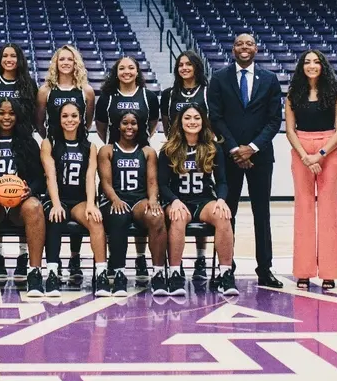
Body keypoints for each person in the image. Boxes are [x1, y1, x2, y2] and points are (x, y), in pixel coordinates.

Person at [209, 33, 283, 288]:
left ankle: (265, 269)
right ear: (232, 49)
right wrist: (234, 149)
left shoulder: (270, 79)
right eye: (239, 44)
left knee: (261, 213)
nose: (244, 47)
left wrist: (251, 148)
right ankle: (226, 268)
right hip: (229, 158)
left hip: (260, 157)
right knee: (227, 215)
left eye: (249, 43)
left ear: (256, 48)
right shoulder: (219, 78)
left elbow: (274, 120)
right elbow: (216, 118)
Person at [157, 104, 238, 297]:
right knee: (177, 218)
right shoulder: (169, 149)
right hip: (179, 200)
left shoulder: (212, 147)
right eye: (187, 118)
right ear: (180, 122)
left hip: (203, 200)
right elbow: (162, 184)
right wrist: (174, 201)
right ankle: (176, 272)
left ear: (203, 122)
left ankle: (225, 274)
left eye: (196, 118)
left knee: (223, 215)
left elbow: (222, 181)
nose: (192, 122)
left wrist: (221, 199)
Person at [0, 98, 48, 297]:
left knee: (35, 207)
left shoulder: (29, 143)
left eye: (11, 113)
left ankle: (35, 273)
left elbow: (39, 177)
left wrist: (29, 191)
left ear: (18, 116)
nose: (6, 117)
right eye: (2, 113)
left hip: (18, 204)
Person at [283, 50, 337, 290]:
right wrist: (305, 156)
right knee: (304, 210)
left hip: (328, 149)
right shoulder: (292, 96)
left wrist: (319, 155)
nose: (311, 65)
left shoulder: (335, 95)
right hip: (301, 148)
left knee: (330, 211)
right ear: (301, 66)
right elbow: (290, 130)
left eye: (316, 61)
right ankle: (304, 271)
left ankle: (329, 272)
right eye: (307, 62)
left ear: (323, 66)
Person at [35, 45, 96, 285]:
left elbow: (87, 122)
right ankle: (53, 263)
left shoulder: (86, 91)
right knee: (56, 204)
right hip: (54, 150)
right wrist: (52, 142)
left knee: (78, 194)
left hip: (77, 147)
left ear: (76, 63)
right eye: (62, 59)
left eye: (70, 59)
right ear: (55, 63)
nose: (66, 63)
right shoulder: (45, 91)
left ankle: (75, 257)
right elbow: (39, 123)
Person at [95, 56, 160, 282]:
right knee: (119, 212)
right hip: (115, 153)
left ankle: (143, 258)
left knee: (144, 207)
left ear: (137, 71)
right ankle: (116, 263)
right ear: (116, 72)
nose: (126, 71)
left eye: (131, 67)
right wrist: (115, 145)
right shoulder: (107, 98)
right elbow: (101, 127)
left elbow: (151, 124)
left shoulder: (148, 97)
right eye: (122, 68)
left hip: (138, 151)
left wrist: (139, 140)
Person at [0, 43, 38, 277]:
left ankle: (24, 256)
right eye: (5, 55)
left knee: (21, 196)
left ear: (20, 59)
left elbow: (35, 114)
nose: (9, 59)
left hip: (22, 142)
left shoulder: (28, 84)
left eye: (14, 55)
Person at [98, 110, 166, 297]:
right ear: (117, 126)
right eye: (125, 123)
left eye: (133, 123)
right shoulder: (107, 150)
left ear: (140, 126)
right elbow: (105, 182)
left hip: (138, 200)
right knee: (119, 215)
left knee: (157, 216)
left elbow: (152, 182)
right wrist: (115, 199)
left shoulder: (148, 152)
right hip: (114, 198)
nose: (129, 127)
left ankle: (159, 272)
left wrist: (153, 200)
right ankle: (119, 273)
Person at [159, 50, 213, 281]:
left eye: (189, 64)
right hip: (176, 151)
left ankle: (201, 257)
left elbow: (213, 121)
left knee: (201, 195)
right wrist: (173, 144)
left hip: (201, 148)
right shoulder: (169, 94)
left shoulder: (208, 92)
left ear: (197, 67)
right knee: (178, 203)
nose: (184, 68)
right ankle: (174, 266)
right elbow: (164, 121)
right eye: (181, 64)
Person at [41, 101, 105, 298]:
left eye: (74, 116)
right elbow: (50, 175)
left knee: (95, 219)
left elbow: (89, 177)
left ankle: (101, 273)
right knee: (55, 216)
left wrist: (91, 204)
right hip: (56, 197)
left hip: (78, 200)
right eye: (65, 116)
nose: (70, 120)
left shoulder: (90, 146)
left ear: (81, 119)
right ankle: (52, 271)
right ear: (59, 120)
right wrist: (57, 203)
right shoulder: (49, 143)